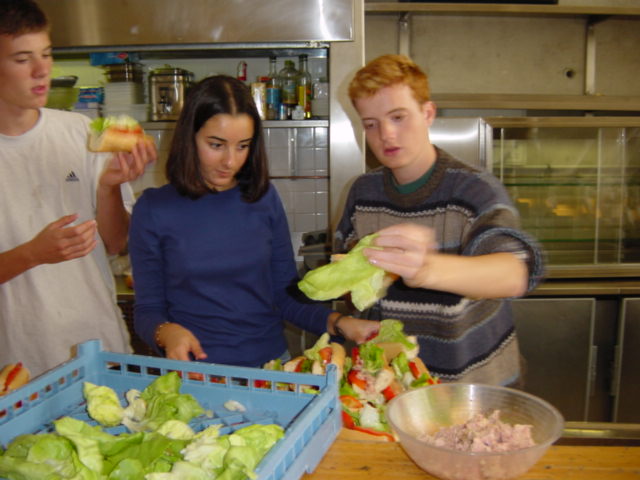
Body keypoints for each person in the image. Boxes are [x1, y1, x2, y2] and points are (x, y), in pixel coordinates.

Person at [129, 75, 378, 367]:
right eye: (216, 145)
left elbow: (285, 296)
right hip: (194, 373)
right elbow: (147, 310)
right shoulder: (154, 209)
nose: (230, 161)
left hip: (269, 368)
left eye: (243, 146)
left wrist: (339, 323)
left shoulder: (263, 199)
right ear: (189, 137)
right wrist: (166, 332)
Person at [335, 54, 545, 387]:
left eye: (398, 117)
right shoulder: (362, 193)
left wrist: (425, 269)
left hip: (473, 386)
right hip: (397, 385)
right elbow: (352, 295)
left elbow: (513, 274)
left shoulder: (474, 190)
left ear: (428, 113)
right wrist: (355, 275)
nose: (386, 134)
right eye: (371, 123)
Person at [0, 0, 156, 378]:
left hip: (100, 349)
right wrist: (32, 254)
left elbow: (115, 242)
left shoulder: (81, 132)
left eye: (46, 54)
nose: (42, 70)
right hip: (19, 365)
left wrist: (108, 187)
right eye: (22, 59)